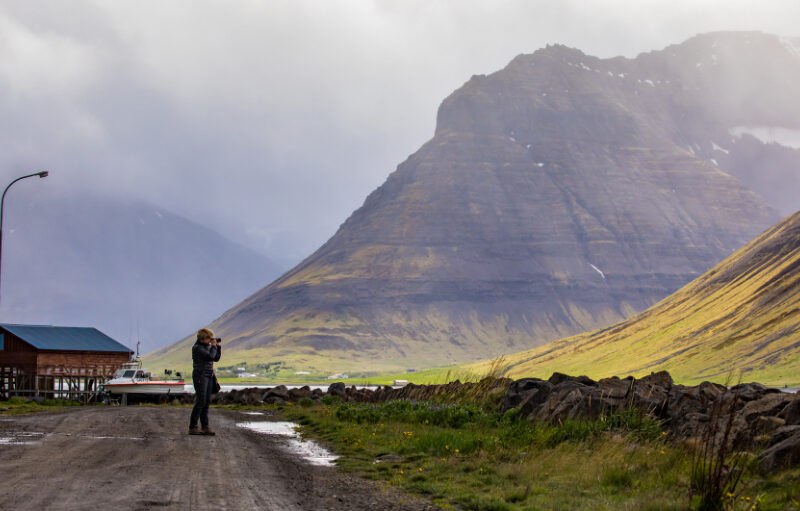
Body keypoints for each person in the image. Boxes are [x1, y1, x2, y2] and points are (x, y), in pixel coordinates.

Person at [189, 328, 221, 435]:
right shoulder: (197, 348)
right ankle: (193, 427)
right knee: (200, 401)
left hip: (209, 375)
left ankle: (205, 426)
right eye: (209, 338)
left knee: (206, 402)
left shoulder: (208, 346)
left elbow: (215, 358)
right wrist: (214, 346)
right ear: (203, 338)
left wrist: (217, 347)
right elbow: (210, 356)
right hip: (200, 376)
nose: (210, 340)